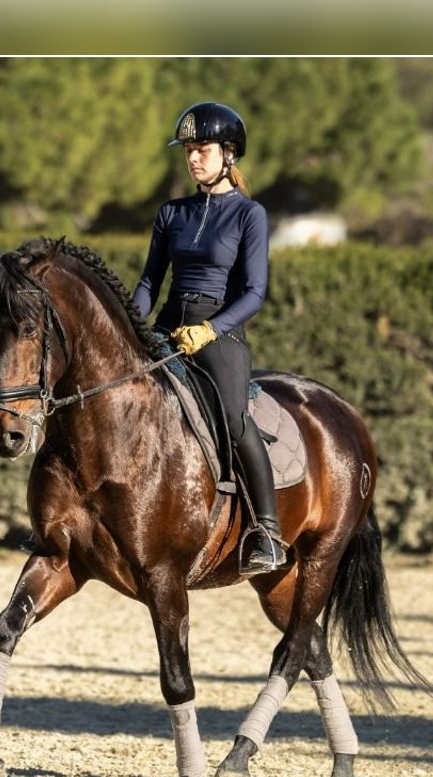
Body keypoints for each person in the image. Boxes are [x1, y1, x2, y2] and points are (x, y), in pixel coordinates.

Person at [132, 100, 284, 575]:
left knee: (236, 421)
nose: (193, 158)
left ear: (229, 153)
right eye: (188, 151)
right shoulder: (171, 213)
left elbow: (256, 292)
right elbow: (147, 284)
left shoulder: (249, 215)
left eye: (202, 149)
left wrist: (210, 329)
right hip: (166, 326)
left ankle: (267, 531)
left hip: (220, 332)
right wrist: (128, 329)